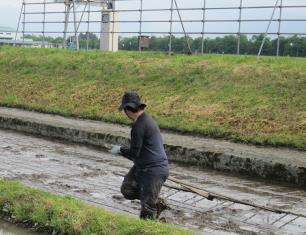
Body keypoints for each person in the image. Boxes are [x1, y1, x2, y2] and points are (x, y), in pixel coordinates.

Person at [110, 91, 169, 220]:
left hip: (153, 170)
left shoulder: (139, 126)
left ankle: (149, 223)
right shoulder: (146, 119)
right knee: (127, 189)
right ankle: (153, 199)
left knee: (147, 210)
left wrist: (120, 150)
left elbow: (134, 153)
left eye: (124, 110)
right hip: (142, 166)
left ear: (127, 109)